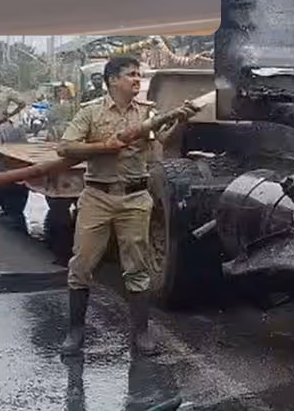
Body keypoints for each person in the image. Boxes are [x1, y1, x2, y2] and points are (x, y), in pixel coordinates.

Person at [56, 55, 195, 357]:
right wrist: (103, 147)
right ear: (112, 80)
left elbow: (162, 141)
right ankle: (75, 332)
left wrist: (180, 121)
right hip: (97, 197)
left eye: (138, 74)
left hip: (135, 198)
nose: (137, 79)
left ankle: (141, 335)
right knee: (81, 265)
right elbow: (65, 147)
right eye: (131, 74)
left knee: (137, 268)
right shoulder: (90, 112)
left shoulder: (146, 113)